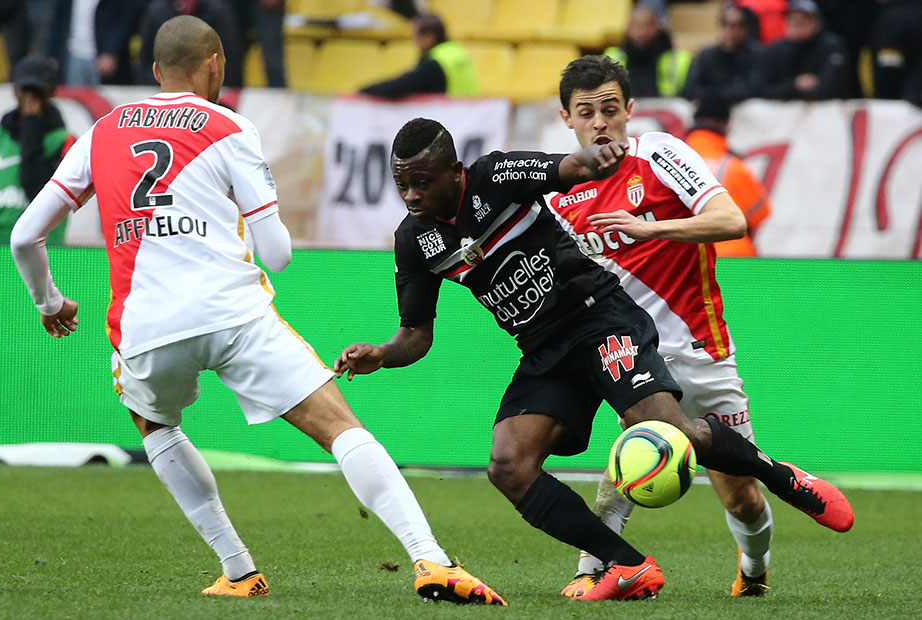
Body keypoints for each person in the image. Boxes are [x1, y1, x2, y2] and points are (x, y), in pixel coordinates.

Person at [10, 15, 505, 605]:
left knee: (155, 425)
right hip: (233, 313)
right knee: (339, 427)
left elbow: (24, 236)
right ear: (216, 63)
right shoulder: (230, 127)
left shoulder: (100, 133)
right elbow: (278, 254)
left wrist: (50, 302)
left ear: (155, 70)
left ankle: (238, 570)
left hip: (146, 326)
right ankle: (431, 560)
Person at [333, 115, 854, 601]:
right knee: (508, 466)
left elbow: (567, 167)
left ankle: (784, 479)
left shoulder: (495, 176)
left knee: (671, 431)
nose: (411, 195)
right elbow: (416, 334)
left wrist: (595, 158)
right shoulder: (414, 240)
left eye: (422, 182)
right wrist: (382, 353)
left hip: (599, 318)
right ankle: (628, 565)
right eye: (402, 185)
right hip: (544, 350)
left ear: (454, 170)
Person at [547, 54, 776, 601]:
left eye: (610, 109)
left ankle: (754, 567)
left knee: (741, 496)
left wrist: (648, 228)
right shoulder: (557, 196)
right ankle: (591, 570)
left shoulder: (659, 154)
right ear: (567, 119)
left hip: (700, 349)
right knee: (627, 464)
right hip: (631, 354)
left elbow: (732, 220)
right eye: (586, 113)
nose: (600, 123)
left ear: (629, 109)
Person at [0, 56, 74, 245]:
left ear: (51, 94)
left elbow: (38, 193)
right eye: (26, 90)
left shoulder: (64, 141)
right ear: (14, 90)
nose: (30, 98)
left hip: (40, 248)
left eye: (37, 92)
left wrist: (31, 126)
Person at [684, 96, 772, 257]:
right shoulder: (734, 167)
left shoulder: (667, 162)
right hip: (731, 257)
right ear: (726, 124)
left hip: (683, 256)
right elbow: (761, 214)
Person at [359, 13, 479, 99]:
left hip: (447, 115)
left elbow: (403, 85)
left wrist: (365, 91)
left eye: (416, 36)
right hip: (466, 114)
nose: (414, 42)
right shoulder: (457, 51)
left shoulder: (434, 63)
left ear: (429, 37)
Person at [761, 0, 850, 100]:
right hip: (783, 105)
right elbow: (761, 88)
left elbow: (830, 87)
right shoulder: (777, 48)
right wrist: (795, 84)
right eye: (791, 20)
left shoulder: (831, 46)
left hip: (826, 106)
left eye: (801, 22)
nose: (795, 26)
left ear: (816, 23)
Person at [683, 4, 767, 105]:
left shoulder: (757, 54)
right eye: (724, 24)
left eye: (735, 25)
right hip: (712, 107)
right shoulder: (706, 55)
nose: (729, 30)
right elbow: (690, 89)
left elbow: (752, 90)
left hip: (743, 108)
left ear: (745, 28)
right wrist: (719, 95)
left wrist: (713, 94)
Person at [603, 4, 692, 98]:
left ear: (658, 27)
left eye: (647, 26)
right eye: (634, 26)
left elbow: (690, 96)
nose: (640, 32)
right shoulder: (612, 58)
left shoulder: (680, 59)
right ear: (627, 29)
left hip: (666, 106)